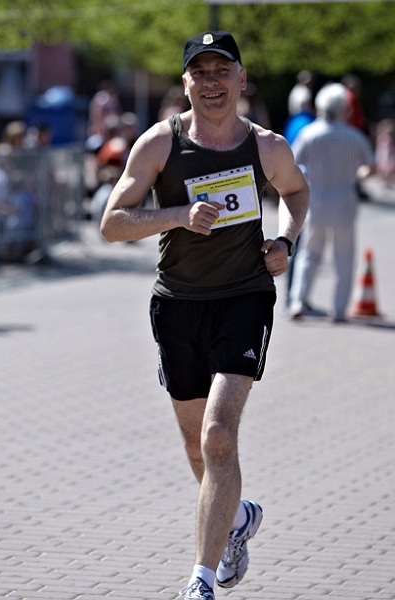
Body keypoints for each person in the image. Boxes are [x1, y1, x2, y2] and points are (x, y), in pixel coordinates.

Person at [101, 31, 309, 600]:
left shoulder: (267, 147)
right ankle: (237, 518)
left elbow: (296, 193)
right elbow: (112, 224)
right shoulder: (159, 143)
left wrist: (286, 242)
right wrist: (176, 215)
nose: (212, 82)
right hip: (177, 304)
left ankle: (201, 579)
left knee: (219, 436)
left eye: (222, 71)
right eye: (201, 72)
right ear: (186, 82)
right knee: (198, 448)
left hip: (244, 298)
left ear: (241, 79)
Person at [288, 83, 375, 323]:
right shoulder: (354, 136)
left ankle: (297, 302)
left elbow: (293, 164)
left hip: (315, 202)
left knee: (309, 255)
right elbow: (370, 167)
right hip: (345, 203)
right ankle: (339, 310)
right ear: (345, 109)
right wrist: (357, 175)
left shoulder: (309, 133)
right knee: (344, 258)